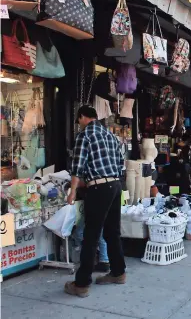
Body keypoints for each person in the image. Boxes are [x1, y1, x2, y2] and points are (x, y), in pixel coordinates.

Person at [65, 105, 126, 298]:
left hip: (99, 189)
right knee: (112, 232)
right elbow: (120, 163)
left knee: (91, 236)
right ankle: (118, 272)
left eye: (79, 120)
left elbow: (77, 166)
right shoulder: (110, 136)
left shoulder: (85, 135)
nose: (79, 124)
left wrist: (72, 191)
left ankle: (81, 284)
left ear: (83, 117)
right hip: (115, 185)